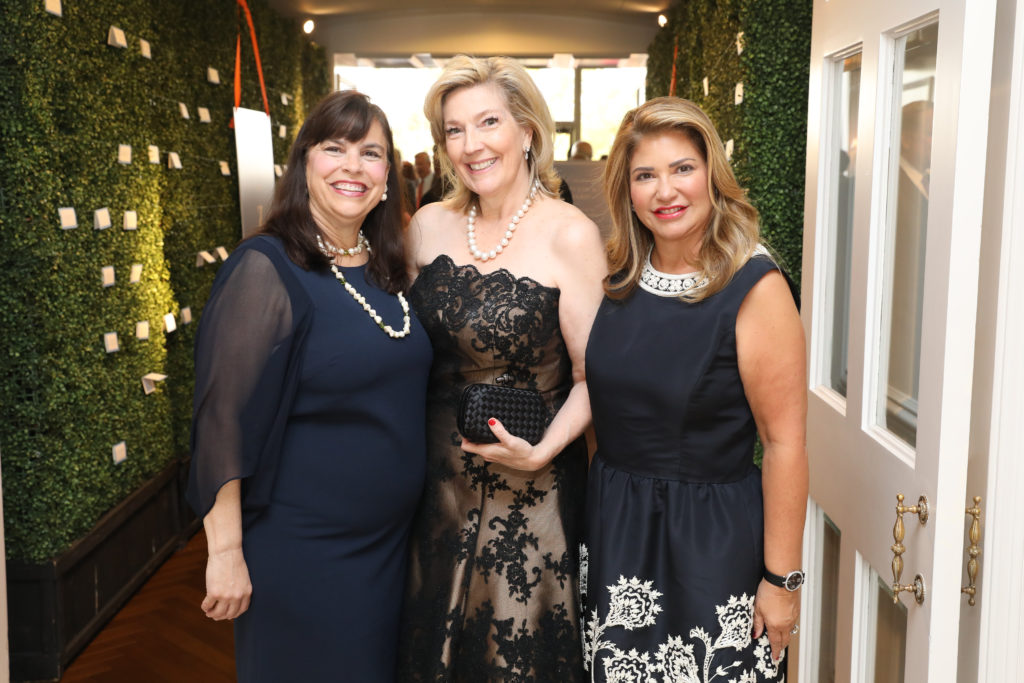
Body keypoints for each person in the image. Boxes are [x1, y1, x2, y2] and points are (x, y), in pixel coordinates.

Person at [187, 90, 432, 681]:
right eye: (334, 148)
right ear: (303, 163)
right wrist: (225, 554)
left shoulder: (388, 266)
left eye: (371, 153)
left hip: (393, 545)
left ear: (387, 174)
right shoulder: (265, 268)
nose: (353, 167)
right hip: (305, 548)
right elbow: (222, 420)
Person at [580, 97, 807, 682]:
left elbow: (784, 444)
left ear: (712, 174)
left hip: (711, 548)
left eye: (682, 168)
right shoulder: (616, 281)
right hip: (615, 539)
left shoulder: (755, 286)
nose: (665, 190)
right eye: (645, 175)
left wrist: (782, 581)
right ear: (626, 190)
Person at [398, 55, 606, 681]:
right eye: (454, 130)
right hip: (434, 487)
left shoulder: (570, 235)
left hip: (534, 491)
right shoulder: (425, 228)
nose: (471, 144)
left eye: (487, 122)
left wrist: (544, 450)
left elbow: (593, 377)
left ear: (526, 130)